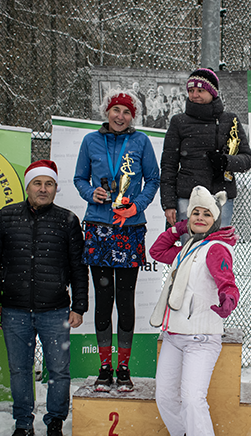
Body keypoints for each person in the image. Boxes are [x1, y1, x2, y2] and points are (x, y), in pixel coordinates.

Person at [0, 160, 89, 436]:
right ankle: (22, 424)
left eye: (49, 184)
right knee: (20, 370)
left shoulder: (67, 220)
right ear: (27, 186)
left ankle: (55, 424)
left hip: (55, 310)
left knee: (58, 370)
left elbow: (78, 266)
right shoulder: (5, 218)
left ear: (56, 188)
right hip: (14, 309)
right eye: (37, 183)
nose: (43, 189)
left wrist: (79, 305)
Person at [149, 186, 239, 436]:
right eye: (196, 213)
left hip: (201, 337)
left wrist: (229, 297)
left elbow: (226, 278)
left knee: (192, 400)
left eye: (206, 214)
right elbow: (157, 252)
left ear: (215, 220)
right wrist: (177, 228)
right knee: (164, 397)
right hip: (174, 336)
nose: (200, 218)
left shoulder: (216, 248)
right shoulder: (186, 247)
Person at [74, 89, 160, 392]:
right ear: (106, 112)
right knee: (103, 299)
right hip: (99, 227)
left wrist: (137, 205)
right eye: (115, 110)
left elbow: (154, 179)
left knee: (125, 299)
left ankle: (124, 368)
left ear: (132, 117)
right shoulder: (90, 141)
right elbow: (79, 179)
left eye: (126, 112)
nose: (120, 116)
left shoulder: (140, 142)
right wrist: (90, 194)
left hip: (130, 227)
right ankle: (104, 368)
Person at [161, 68, 251, 227]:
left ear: (213, 92)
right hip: (188, 198)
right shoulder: (179, 122)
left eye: (200, 90)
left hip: (220, 197)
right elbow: (168, 165)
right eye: (191, 90)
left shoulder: (230, 120)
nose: (194, 95)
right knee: (189, 249)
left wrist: (226, 162)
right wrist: (169, 203)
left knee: (217, 248)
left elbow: (247, 159)